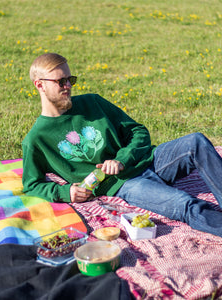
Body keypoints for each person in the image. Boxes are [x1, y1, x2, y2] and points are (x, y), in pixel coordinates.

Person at [22, 52, 222, 237]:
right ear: (39, 85)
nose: (68, 85)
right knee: (185, 204)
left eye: (70, 79)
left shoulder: (93, 102)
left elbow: (138, 131)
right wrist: (67, 192)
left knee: (196, 141)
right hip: (123, 184)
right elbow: (32, 185)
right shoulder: (36, 139)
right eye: (60, 81)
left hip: (149, 161)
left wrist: (122, 159)